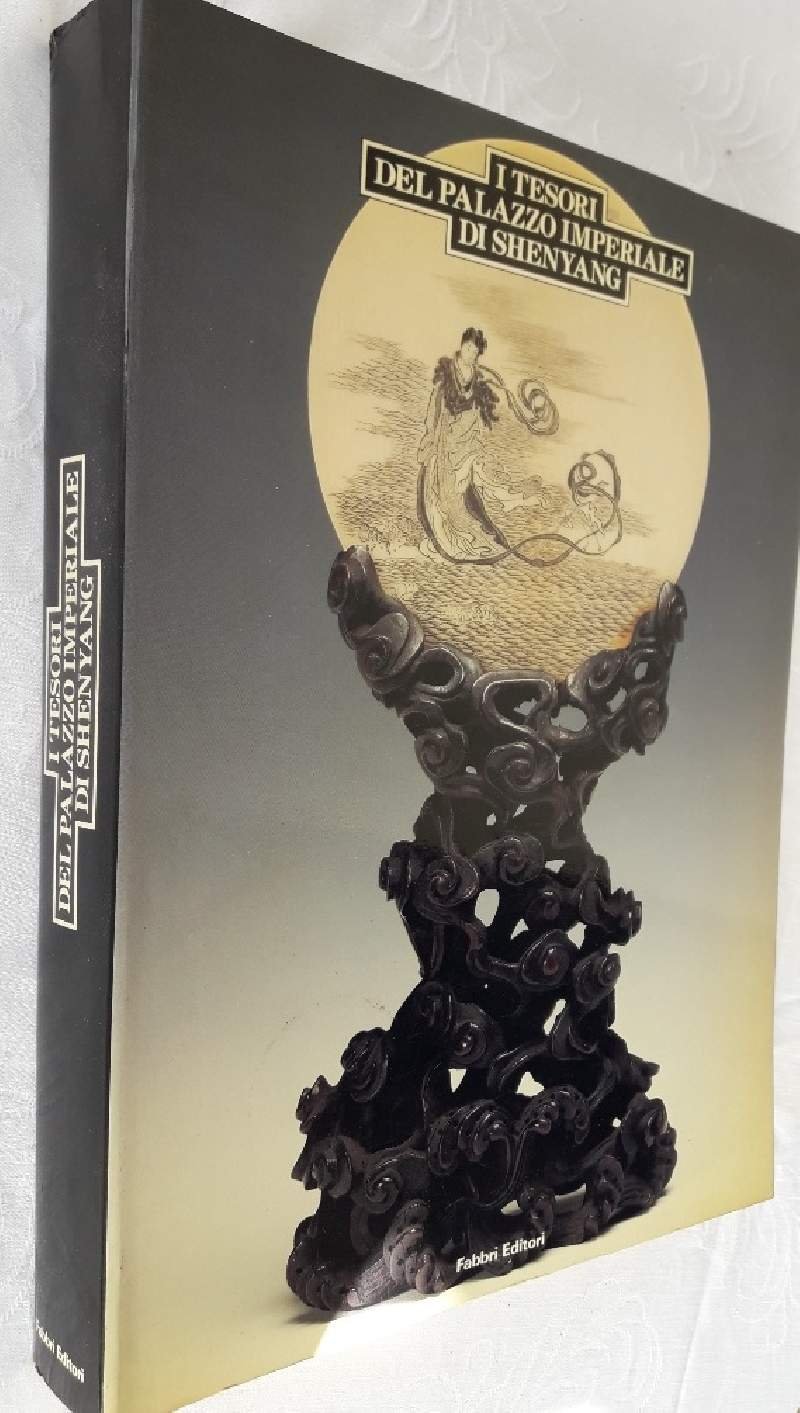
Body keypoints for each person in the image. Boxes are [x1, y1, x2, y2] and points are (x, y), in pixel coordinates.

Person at [417, 327, 543, 563]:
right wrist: (431, 435)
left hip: (466, 442)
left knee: (464, 492)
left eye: (475, 352)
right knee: (442, 495)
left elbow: (479, 411)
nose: (470, 354)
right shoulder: (447, 375)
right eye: (468, 348)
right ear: (461, 346)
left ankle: (474, 535)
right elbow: (435, 406)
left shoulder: (479, 379)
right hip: (445, 441)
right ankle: (448, 540)